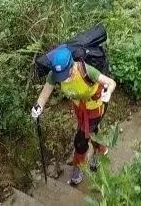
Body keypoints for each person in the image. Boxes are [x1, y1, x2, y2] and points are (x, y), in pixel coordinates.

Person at [31, 45, 117, 186]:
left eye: (66, 74)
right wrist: (38, 106)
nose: (63, 79)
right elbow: (46, 91)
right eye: (60, 77)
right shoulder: (54, 74)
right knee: (92, 131)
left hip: (96, 107)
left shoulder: (86, 70)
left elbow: (110, 82)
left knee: (80, 141)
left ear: (72, 66)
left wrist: (108, 92)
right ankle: (101, 150)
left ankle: (80, 166)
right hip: (80, 108)